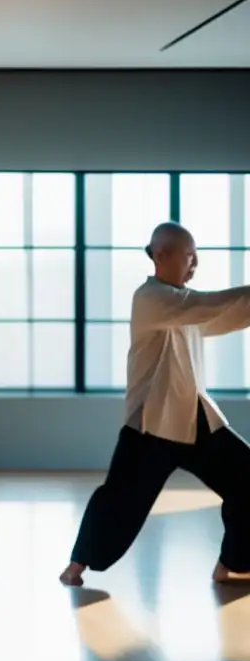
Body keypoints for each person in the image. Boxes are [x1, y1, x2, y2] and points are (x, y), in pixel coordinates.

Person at [60, 222, 250, 588]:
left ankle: (232, 563)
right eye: (188, 255)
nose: (194, 263)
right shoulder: (150, 298)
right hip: (153, 425)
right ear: (161, 255)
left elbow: (223, 314)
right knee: (119, 499)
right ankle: (76, 566)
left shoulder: (184, 305)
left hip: (198, 422)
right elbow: (209, 306)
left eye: (196, 257)